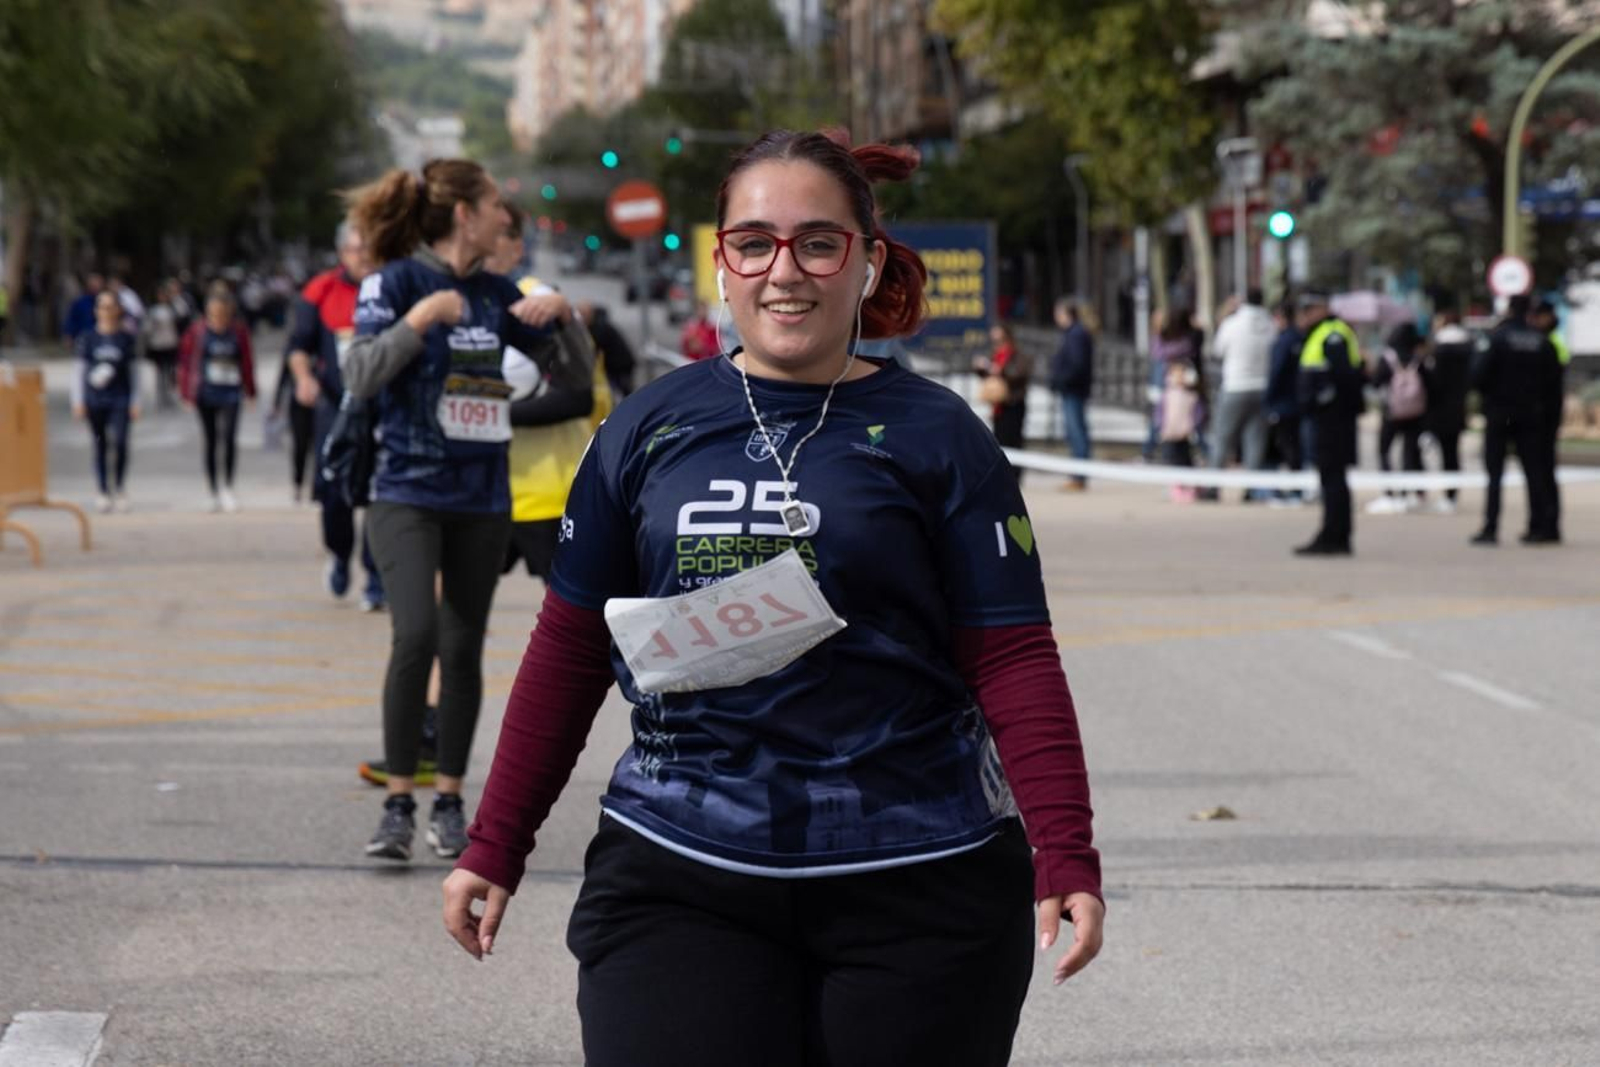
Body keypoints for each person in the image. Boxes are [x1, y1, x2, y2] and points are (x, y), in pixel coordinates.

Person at [443, 128, 1103, 1067]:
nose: (783, 271)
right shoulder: (644, 427)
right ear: (723, 264)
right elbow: (571, 646)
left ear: (868, 263)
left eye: (818, 243)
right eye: (754, 243)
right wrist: (495, 840)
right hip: (680, 870)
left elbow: (1012, 654)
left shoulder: (941, 434)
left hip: (919, 878)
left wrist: (1065, 847)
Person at [342, 158, 581, 862]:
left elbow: (570, 376)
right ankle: (397, 804)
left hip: (482, 498)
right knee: (415, 634)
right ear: (464, 215)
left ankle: (448, 801)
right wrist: (419, 320)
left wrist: (563, 317)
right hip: (406, 492)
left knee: (463, 648)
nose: (506, 216)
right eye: (496, 204)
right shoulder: (396, 283)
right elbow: (359, 373)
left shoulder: (497, 293)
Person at [284, 221, 385, 609]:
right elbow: (298, 345)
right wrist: (303, 378)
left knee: (381, 492)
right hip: (335, 406)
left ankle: (375, 577)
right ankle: (340, 554)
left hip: (381, 406)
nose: (364, 257)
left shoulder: (391, 286)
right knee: (335, 493)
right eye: (357, 249)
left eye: (370, 248)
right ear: (343, 253)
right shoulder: (321, 289)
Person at [1471, 294, 1562, 546]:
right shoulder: (1541, 341)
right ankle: (1538, 526)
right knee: (1534, 472)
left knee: (1495, 474)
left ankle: (1491, 527)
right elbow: (1553, 383)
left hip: (1500, 413)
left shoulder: (1497, 338)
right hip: (1531, 415)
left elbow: (1478, 376)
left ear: (1509, 310)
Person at [1293, 290, 1363, 556]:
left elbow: (1343, 376)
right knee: (1331, 478)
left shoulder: (1332, 334)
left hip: (1333, 419)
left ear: (1321, 309)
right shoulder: (1323, 332)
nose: (1304, 316)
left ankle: (1334, 536)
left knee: (1333, 479)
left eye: (1308, 310)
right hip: (1328, 417)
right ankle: (1335, 534)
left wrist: (1324, 401)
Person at [177, 284, 256, 513]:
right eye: (214, 314)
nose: (218, 318)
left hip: (231, 391)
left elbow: (247, 362)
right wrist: (186, 393)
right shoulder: (197, 332)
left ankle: (228, 487)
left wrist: (251, 391)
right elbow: (186, 362)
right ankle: (213, 490)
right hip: (206, 392)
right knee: (211, 440)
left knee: (229, 438)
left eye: (222, 313)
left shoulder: (238, 332)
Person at [71, 290, 141, 513]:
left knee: (120, 442)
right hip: (95, 400)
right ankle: (102, 490)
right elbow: (79, 371)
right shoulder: (87, 338)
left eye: (111, 307)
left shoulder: (126, 339)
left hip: (120, 398)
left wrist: (135, 401)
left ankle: (119, 487)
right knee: (100, 444)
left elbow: (134, 372)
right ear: (96, 310)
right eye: (102, 306)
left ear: (118, 310)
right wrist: (78, 400)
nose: (106, 311)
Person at [1209, 288, 1274, 500]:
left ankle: (1213, 486)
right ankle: (1250, 489)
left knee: (1222, 437)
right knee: (1255, 440)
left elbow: (1218, 350)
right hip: (1262, 386)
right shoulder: (1270, 325)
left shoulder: (1232, 324)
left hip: (1235, 385)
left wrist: (1225, 314)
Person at [1366, 322, 1430, 514]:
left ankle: (1389, 493)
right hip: (1415, 414)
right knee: (1409, 453)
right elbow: (1431, 385)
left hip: (1391, 413)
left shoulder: (1388, 358)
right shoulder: (1417, 359)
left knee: (1384, 451)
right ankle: (1406, 493)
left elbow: (1375, 383)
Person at [1426, 305, 1474, 512]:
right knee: (1453, 452)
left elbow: (1432, 380)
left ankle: (1446, 495)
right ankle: (1452, 494)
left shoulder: (1438, 348)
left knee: (1444, 452)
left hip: (1440, 407)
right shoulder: (1469, 345)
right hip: (1459, 406)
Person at [1262, 298, 1306, 504]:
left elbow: (1276, 372)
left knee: (1281, 448)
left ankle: (1284, 491)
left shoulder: (1283, 341)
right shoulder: (1302, 338)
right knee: (1295, 447)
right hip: (1299, 402)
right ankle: (1297, 489)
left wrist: (1268, 398)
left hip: (1282, 404)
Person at [1048, 296, 1094, 490]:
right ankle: (1078, 474)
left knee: (1076, 432)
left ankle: (1079, 476)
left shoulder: (1076, 334)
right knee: (1075, 431)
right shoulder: (1074, 333)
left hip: (1073, 389)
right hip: (1073, 388)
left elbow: (1077, 365)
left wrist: (1061, 380)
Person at [975, 322, 1031, 458]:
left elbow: (1019, 374)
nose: (996, 342)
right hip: (999, 405)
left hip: (1013, 402)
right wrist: (981, 368)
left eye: (999, 339)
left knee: (1013, 441)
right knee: (1000, 441)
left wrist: (1001, 371)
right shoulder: (995, 354)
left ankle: (1015, 470)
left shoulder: (1017, 354)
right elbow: (988, 375)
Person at [576, 301, 637, 398]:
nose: (581, 319)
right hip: (616, 365)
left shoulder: (598, 328)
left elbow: (592, 351)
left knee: (626, 392)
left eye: (583, 315)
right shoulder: (599, 325)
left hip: (620, 365)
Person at [143, 281, 183, 410]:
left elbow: (183, 317)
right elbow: (146, 329)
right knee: (160, 372)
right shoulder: (152, 311)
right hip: (158, 345)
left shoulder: (173, 308)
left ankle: (170, 395)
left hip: (171, 343)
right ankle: (161, 396)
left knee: (170, 371)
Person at [62, 273, 105, 346]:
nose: (95, 286)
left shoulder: (107, 301)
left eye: (98, 283)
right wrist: (68, 335)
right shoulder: (80, 302)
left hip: (102, 337)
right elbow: (72, 319)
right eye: (93, 284)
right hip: (83, 336)